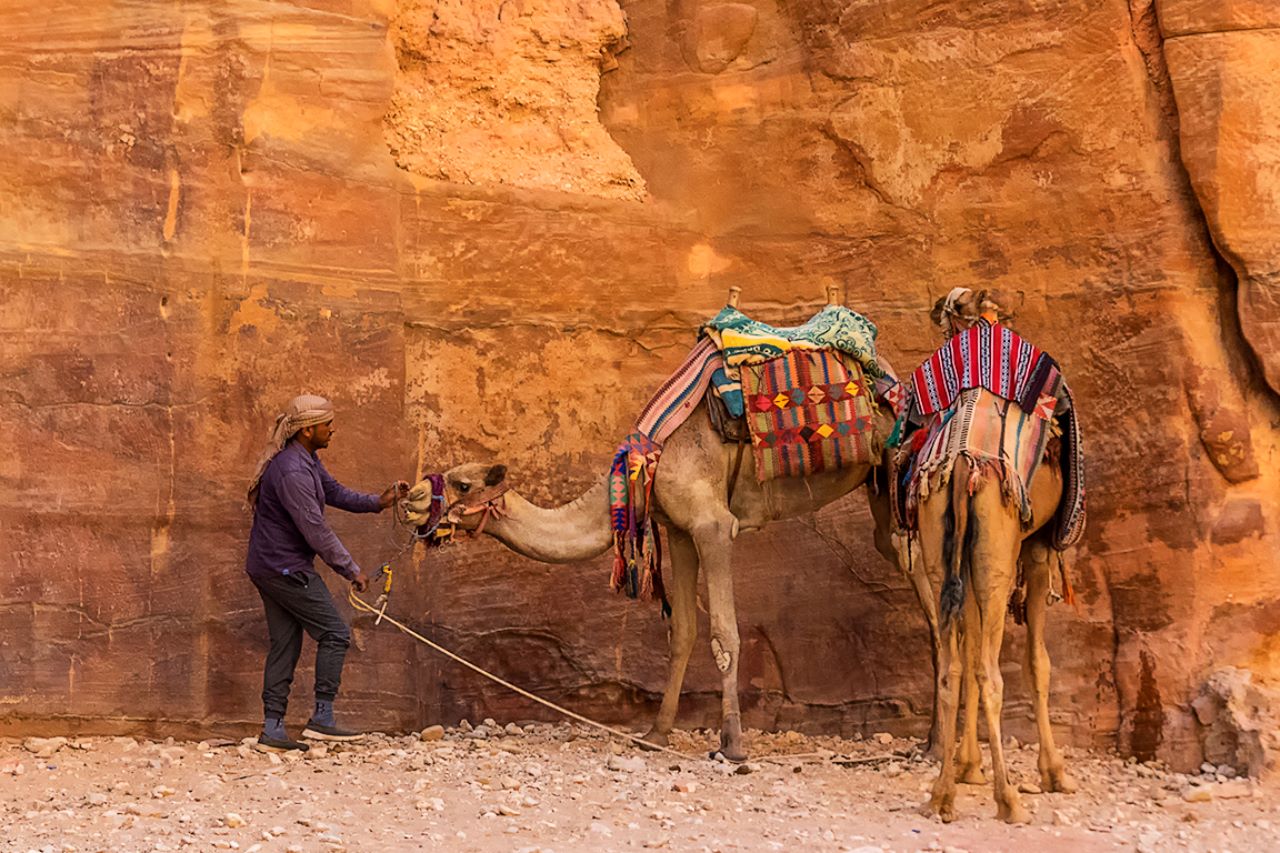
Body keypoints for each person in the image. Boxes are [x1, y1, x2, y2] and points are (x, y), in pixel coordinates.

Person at [245, 394, 408, 751]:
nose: (332, 429)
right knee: (335, 633)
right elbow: (314, 528)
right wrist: (351, 569)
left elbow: (335, 492)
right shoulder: (291, 471)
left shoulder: (305, 460)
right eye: (327, 424)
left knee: (285, 645)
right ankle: (322, 719)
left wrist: (379, 502)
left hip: (268, 566)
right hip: (285, 569)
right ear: (307, 430)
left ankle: (272, 730)